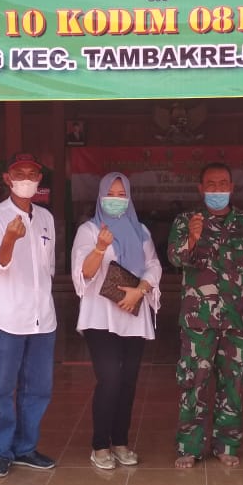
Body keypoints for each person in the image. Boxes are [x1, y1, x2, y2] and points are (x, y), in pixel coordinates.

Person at [167, 162, 243, 468]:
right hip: (198, 320)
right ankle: (189, 445)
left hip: (237, 319)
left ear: (232, 187)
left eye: (223, 183)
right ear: (201, 189)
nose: (217, 189)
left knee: (233, 383)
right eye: (211, 184)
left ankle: (227, 443)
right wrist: (192, 239)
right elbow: (175, 258)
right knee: (194, 380)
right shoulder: (187, 220)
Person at [71, 172, 162, 470]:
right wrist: (100, 247)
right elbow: (83, 272)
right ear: (100, 196)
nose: (116, 199)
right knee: (110, 379)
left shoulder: (141, 230)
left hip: (133, 313)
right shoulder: (88, 230)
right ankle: (100, 445)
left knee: (128, 381)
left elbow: (153, 264)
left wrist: (141, 290)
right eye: (110, 193)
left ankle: (120, 442)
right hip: (101, 317)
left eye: (122, 194)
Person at [0, 152, 58, 478]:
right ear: (7, 179)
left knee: (38, 388)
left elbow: (48, 267)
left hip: (42, 317)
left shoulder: (46, 218)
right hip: (6, 316)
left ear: (39, 179)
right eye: (19, 173)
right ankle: (1, 451)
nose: (26, 179)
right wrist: (10, 238)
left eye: (32, 174)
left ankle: (26, 448)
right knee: (2, 389)